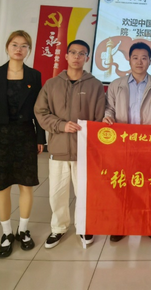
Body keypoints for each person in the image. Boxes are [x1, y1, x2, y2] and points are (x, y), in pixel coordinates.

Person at [34, 39, 105, 249]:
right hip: (58, 148)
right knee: (57, 193)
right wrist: (61, 125)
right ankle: (58, 228)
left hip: (84, 151)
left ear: (87, 58)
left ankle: (84, 226)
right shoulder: (52, 84)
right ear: (66, 56)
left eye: (81, 53)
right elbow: (40, 112)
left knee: (84, 193)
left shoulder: (95, 85)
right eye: (73, 52)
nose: (77, 57)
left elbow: (99, 118)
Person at [0, 30, 46, 258]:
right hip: (1, 135)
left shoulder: (34, 75)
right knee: (2, 186)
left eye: (24, 46)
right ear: (7, 47)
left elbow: (39, 109)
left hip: (26, 134)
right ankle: (7, 233)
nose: (19, 49)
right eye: (15, 45)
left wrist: (40, 138)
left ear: (29, 50)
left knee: (26, 184)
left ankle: (23, 230)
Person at [102, 41, 151, 242]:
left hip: (149, 144)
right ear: (129, 60)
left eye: (144, 58)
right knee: (123, 184)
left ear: (150, 61)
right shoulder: (116, 85)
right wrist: (108, 117)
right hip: (123, 144)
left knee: (148, 184)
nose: (139, 62)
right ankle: (122, 224)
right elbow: (109, 108)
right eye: (135, 58)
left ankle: (148, 222)